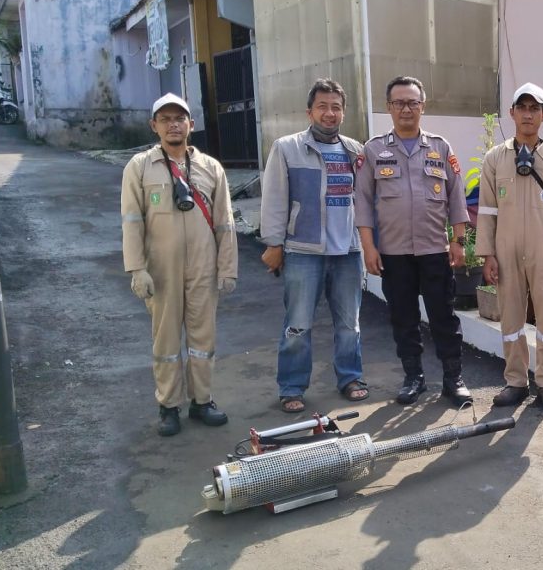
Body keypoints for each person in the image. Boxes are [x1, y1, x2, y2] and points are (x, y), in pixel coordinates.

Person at [121, 93, 237, 437]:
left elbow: (225, 222)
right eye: (166, 119)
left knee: (203, 338)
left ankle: (202, 401)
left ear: (191, 124)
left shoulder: (210, 167)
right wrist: (136, 269)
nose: (174, 125)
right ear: (154, 125)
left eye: (180, 118)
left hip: (203, 265)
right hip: (161, 268)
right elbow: (131, 220)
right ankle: (168, 406)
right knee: (166, 340)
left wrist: (228, 268)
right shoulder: (140, 167)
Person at [354, 76, 473, 407]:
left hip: (435, 250)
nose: (406, 109)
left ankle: (453, 379)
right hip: (394, 254)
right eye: (399, 103)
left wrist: (459, 240)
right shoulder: (374, 150)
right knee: (403, 319)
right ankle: (414, 378)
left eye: (412, 102)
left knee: (443, 318)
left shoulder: (440, 148)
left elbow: (456, 197)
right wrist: (368, 247)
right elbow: (362, 201)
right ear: (389, 107)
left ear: (423, 106)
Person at [260, 78, 368, 414]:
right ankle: (291, 387)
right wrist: (274, 243)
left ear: (343, 112)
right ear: (310, 111)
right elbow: (275, 199)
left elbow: (364, 201)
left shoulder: (355, 150)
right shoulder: (287, 148)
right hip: (303, 252)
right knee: (298, 325)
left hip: (348, 252)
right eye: (322, 106)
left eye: (336, 107)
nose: (329, 112)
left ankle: (350, 378)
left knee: (349, 324)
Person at [475, 83, 543, 410]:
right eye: (523, 107)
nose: (528, 114)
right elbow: (487, 210)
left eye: (535, 108)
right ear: (512, 113)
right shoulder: (495, 158)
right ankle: (515, 381)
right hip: (505, 251)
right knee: (511, 318)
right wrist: (488, 254)